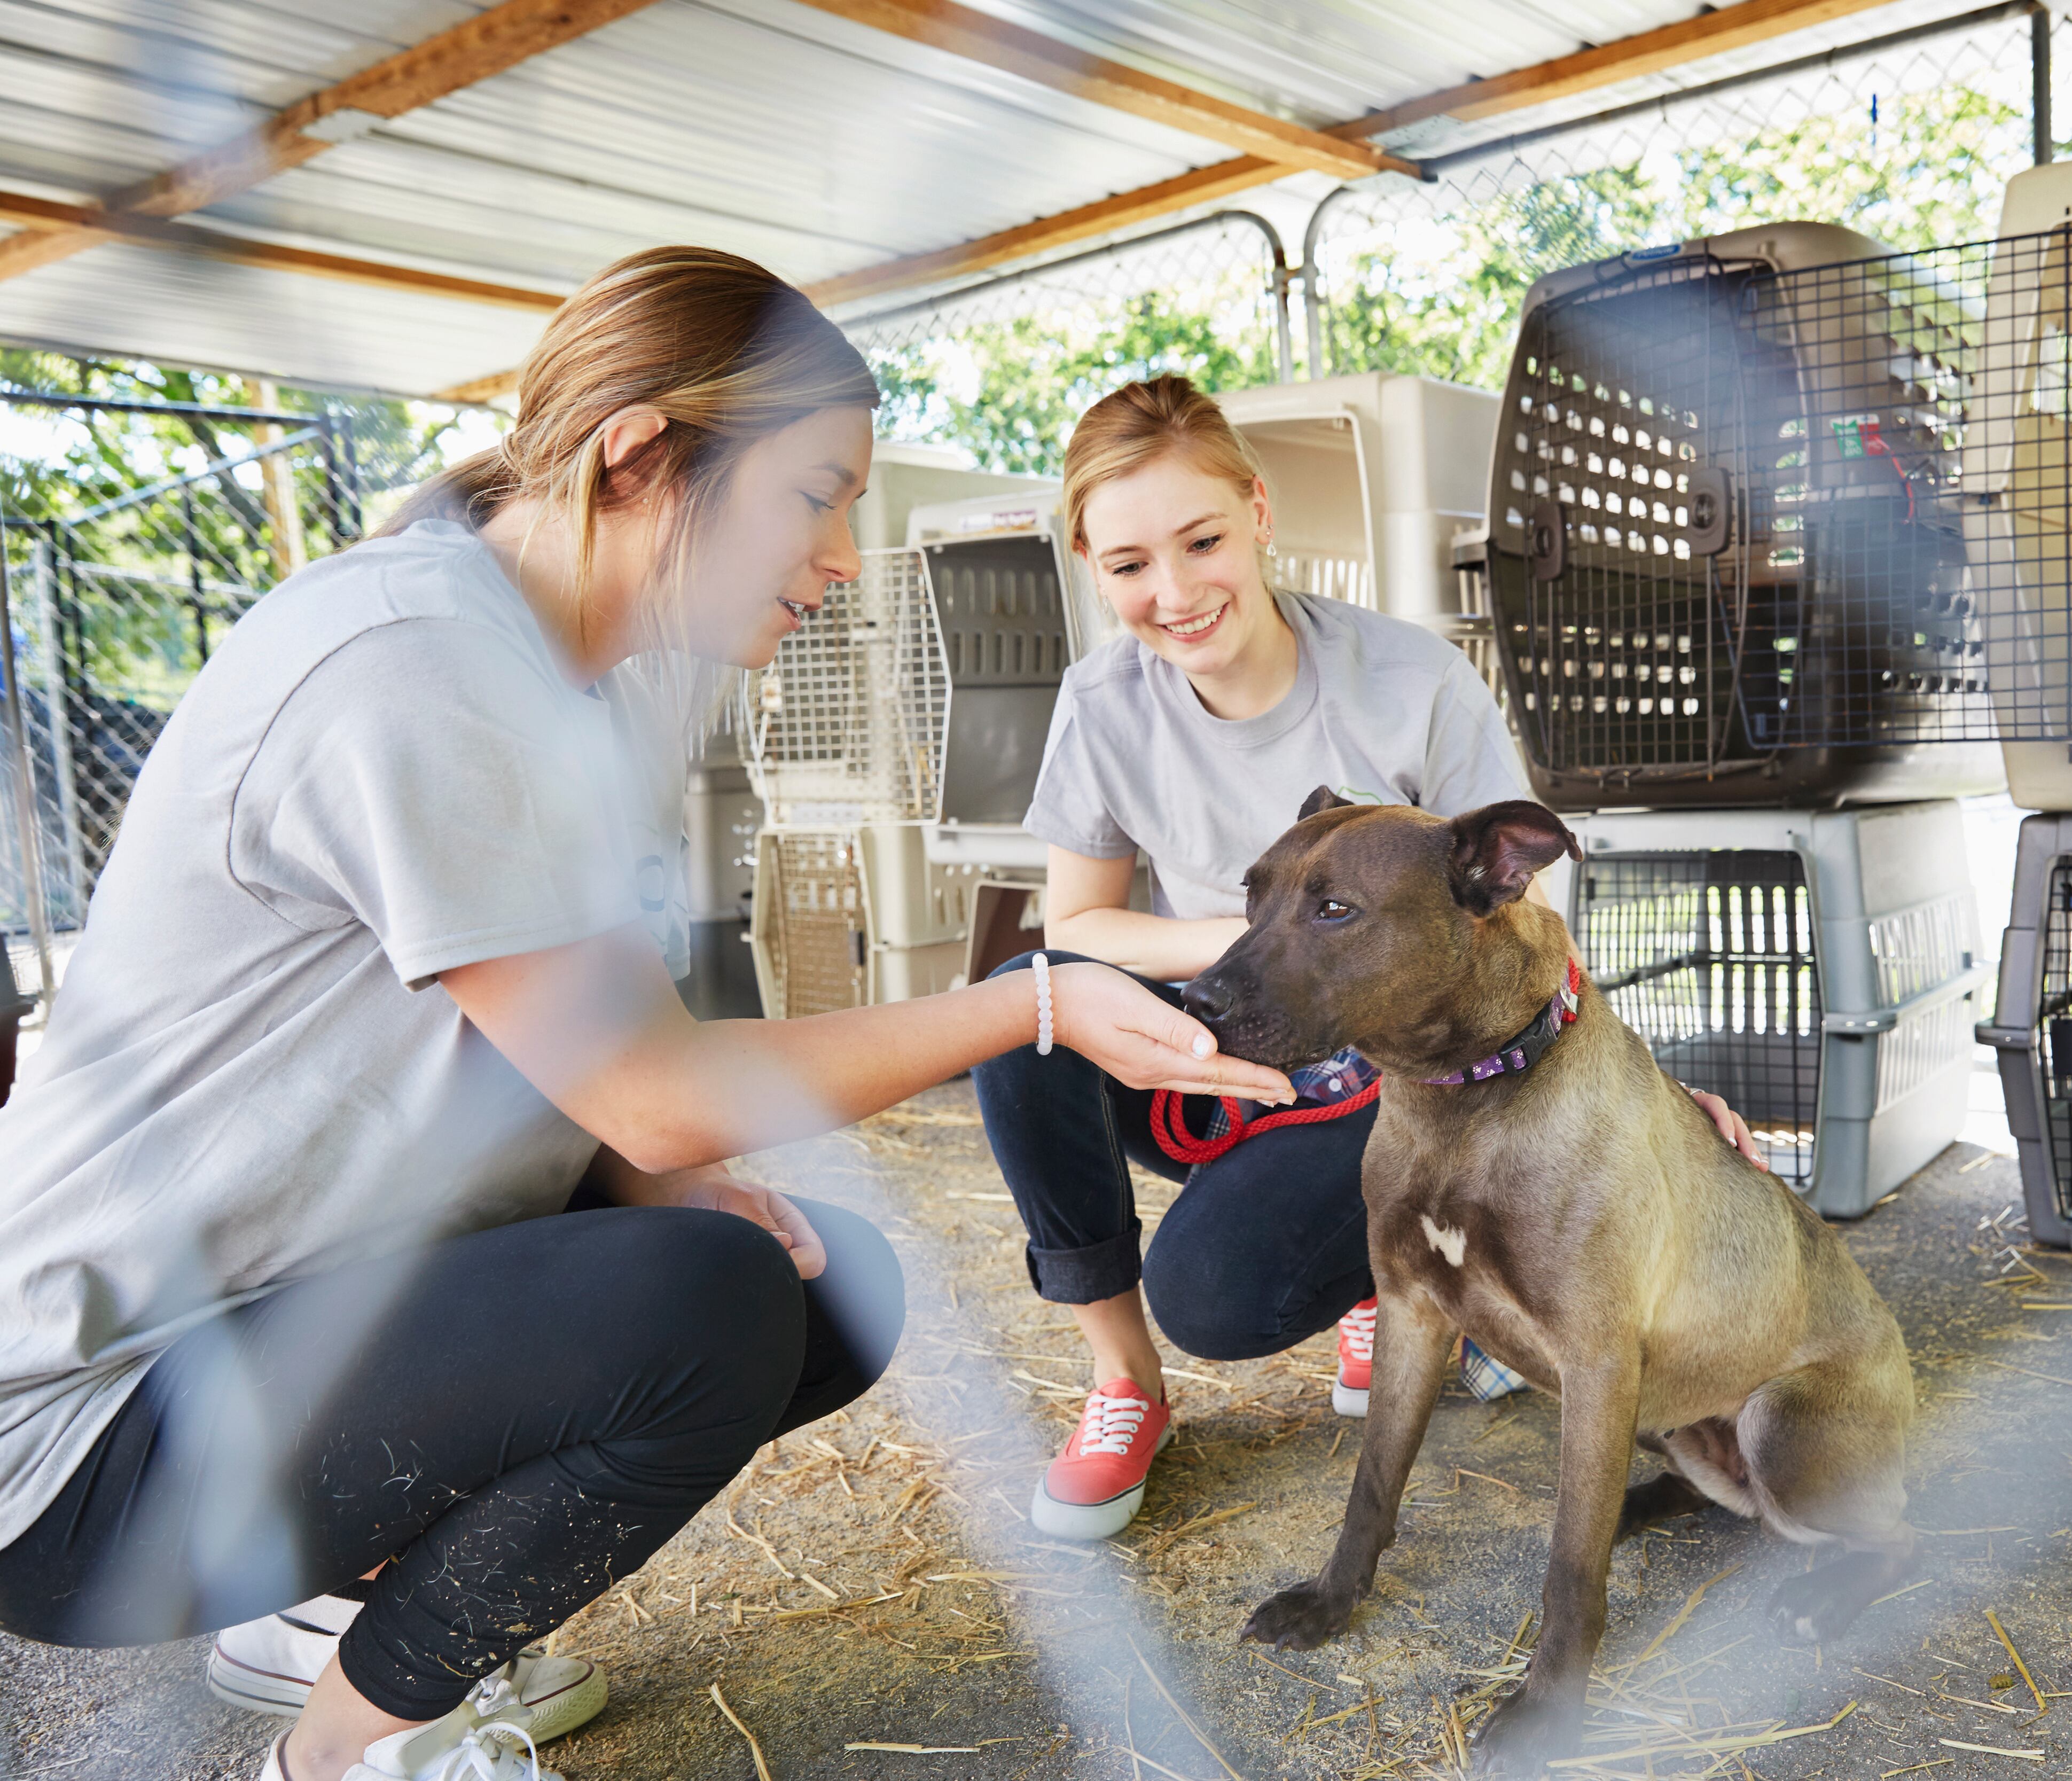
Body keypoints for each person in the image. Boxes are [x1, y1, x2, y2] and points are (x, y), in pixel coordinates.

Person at [0, 253, 1287, 1781]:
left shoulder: (587, 675)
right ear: (638, 458)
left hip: (285, 1316)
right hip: (86, 1430)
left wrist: (647, 1177)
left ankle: (327, 1610)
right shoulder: (415, 660)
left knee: (817, 1286)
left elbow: (576, 1055)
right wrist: (1031, 997)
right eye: (812, 497)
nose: (844, 555)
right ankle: (341, 1756)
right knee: (705, 1305)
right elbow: (658, 1087)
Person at [971, 377, 1764, 1543]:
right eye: (1130, 562)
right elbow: (1078, 926)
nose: (1175, 593)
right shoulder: (1100, 702)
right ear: (1089, 562)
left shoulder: (1409, 681)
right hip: (1219, 1036)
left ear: (1258, 511)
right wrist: (1268, 947)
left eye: (1202, 541)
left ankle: (1392, 1274)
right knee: (1020, 1006)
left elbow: (1524, 927)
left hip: (1385, 1075)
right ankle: (1124, 1381)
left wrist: (1648, 1097)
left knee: (1216, 1298)